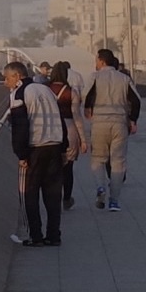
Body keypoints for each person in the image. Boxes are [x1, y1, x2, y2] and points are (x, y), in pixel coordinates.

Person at [4, 61, 67, 246]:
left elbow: (20, 126)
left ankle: (35, 236)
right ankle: (54, 235)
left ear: (17, 76)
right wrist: (64, 147)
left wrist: (21, 155)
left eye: (6, 78)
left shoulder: (19, 93)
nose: (4, 82)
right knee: (53, 194)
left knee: (29, 193)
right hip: (55, 145)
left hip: (35, 148)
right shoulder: (45, 89)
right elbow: (60, 117)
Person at [83, 48, 139, 211]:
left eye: (96, 60)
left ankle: (101, 187)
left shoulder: (95, 77)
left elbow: (86, 95)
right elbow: (136, 100)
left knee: (98, 159)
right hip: (119, 123)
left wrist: (88, 109)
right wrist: (133, 119)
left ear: (101, 61)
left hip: (99, 122)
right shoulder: (124, 78)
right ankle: (114, 201)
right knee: (118, 162)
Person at [47, 63, 85, 211]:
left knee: (51, 168)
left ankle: (52, 197)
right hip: (69, 129)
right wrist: (83, 139)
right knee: (67, 168)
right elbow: (77, 116)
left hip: (49, 130)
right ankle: (67, 199)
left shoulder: (45, 90)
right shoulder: (71, 92)